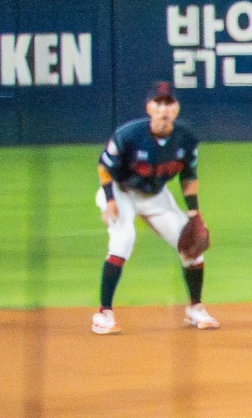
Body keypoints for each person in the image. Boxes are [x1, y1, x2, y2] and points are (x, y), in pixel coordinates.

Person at [91, 81, 216, 336]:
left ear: (177, 108)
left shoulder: (186, 138)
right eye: (158, 103)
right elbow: (104, 167)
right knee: (123, 240)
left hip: (156, 196)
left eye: (169, 104)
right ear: (149, 108)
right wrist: (110, 201)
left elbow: (189, 176)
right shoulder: (128, 135)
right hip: (121, 192)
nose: (164, 109)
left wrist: (194, 212)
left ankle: (195, 308)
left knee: (190, 245)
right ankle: (103, 314)